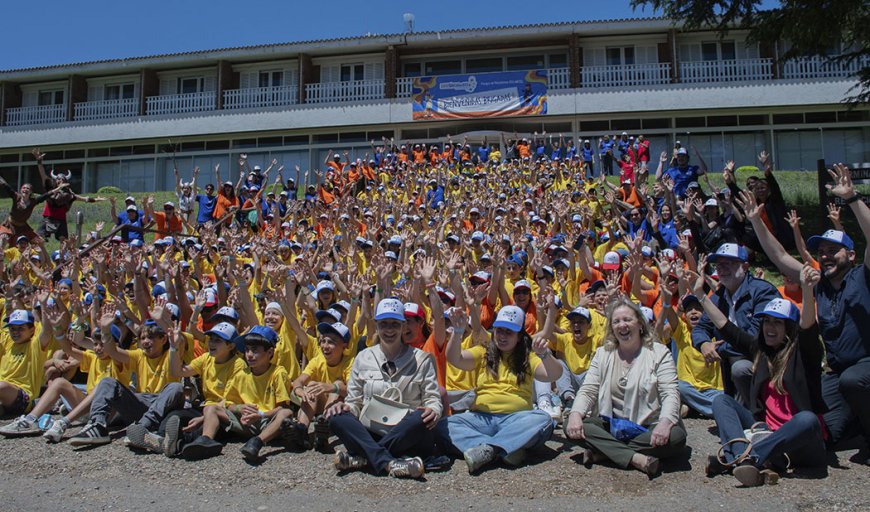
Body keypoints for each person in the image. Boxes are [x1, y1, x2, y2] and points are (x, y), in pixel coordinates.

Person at [738, 164, 870, 462]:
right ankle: (859, 427)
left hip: (865, 366)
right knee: (828, 436)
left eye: (832, 250)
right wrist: (756, 221)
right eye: (820, 251)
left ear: (850, 255)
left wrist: (852, 198)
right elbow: (781, 256)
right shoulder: (819, 282)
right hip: (838, 372)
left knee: (853, 381)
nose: (825, 255)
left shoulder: (863, 276)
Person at [707, 265, 827, 487]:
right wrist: (699, 295)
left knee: (808, 419)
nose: (770, 328)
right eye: (767, 321)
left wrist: (808, 290)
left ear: (789, 328)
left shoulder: (804, 353)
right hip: (766, 430)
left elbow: (809, 327)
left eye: (778, 322)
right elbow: (725, 326)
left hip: (800, 441)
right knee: (722, 401)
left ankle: (740, 458)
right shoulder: (760, 350)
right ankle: (754, 460)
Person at [565, 298, 686, 477]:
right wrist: (576, 415)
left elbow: (670, 393)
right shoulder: (603, 353)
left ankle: (605, 451)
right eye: (616, 321)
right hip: (613, 424)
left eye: (627, 320)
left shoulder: (659, 353)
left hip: (649, 425)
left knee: (676, 438)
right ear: (611, 328)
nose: (622, 325)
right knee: (571, 423)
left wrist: (665, 423)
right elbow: (588, 389)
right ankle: (636, 458)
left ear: (640, 324)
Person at [436, 302, 562, 473]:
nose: (503, 336)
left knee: (543, 420)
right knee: (443, 426)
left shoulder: (529, 357)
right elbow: (454, 359)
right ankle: (506, 448)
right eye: (499, 330)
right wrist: (457, 332)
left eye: (509, 332)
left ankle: (489, 448)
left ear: (519, 335)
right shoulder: (483, 352)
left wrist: (545, 354)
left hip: (517, 419)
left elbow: (553, 375)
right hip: (481, 419)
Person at [324, 298, 441, 479]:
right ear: (376, 326)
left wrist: (434, 409)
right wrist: (347, 408)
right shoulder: (363, 358)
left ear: (403, 326)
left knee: (422, 417)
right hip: (372, 429)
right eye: (384, 324)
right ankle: (390, 463)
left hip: (406, 432)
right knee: (337, 416)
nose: (389, 330)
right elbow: (354, 401)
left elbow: (432, 397)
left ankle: (364, 457)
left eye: (395, 324)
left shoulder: (422, 359)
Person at [691, 243, 779, 407]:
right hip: (732, 360)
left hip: (765, 359)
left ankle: (759, 415)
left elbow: (755, 340)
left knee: (739, 367)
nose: (721, 269)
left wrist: (717, 350)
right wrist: (704, 344)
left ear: (745, 266)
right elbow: (701, 328)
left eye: (728, 264)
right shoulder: (718, 297)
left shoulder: (762, 292)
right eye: (718, 265)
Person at [163, 321, 246, 459]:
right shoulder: (206, 358)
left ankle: (175, 444)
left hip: (224, 413)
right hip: (206, 408)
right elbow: (177, 371)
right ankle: (164, 440)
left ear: (230, 345)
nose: (211, 343)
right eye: (211, 339)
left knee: (202, 428)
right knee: (175, 416)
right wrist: (173, 347)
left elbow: (229, 401)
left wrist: (203, 418)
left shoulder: (238, 365)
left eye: (218, 340)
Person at [221, 325, 296, 462]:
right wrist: (239, 408)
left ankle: (257, 442)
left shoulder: (278, 373)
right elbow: (229, 404)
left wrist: (260, 414)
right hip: (246, 421)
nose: (249, 355)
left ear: (269, 352)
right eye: (247, 350)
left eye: (255, 350)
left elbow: (282, 407)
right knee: (212, 409)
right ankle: (204, 439)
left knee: (286, 415)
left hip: (267, 422)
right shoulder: (241, 374)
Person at [0, 309, 51, 418]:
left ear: (32, 330)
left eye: (20, 329)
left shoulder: (35, 346)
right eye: (12, 329)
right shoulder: (8, 343)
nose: (15, 332)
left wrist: (44, 306)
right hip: (4, 396)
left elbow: (47, 332)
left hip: (23, 398)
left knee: (2, 386)